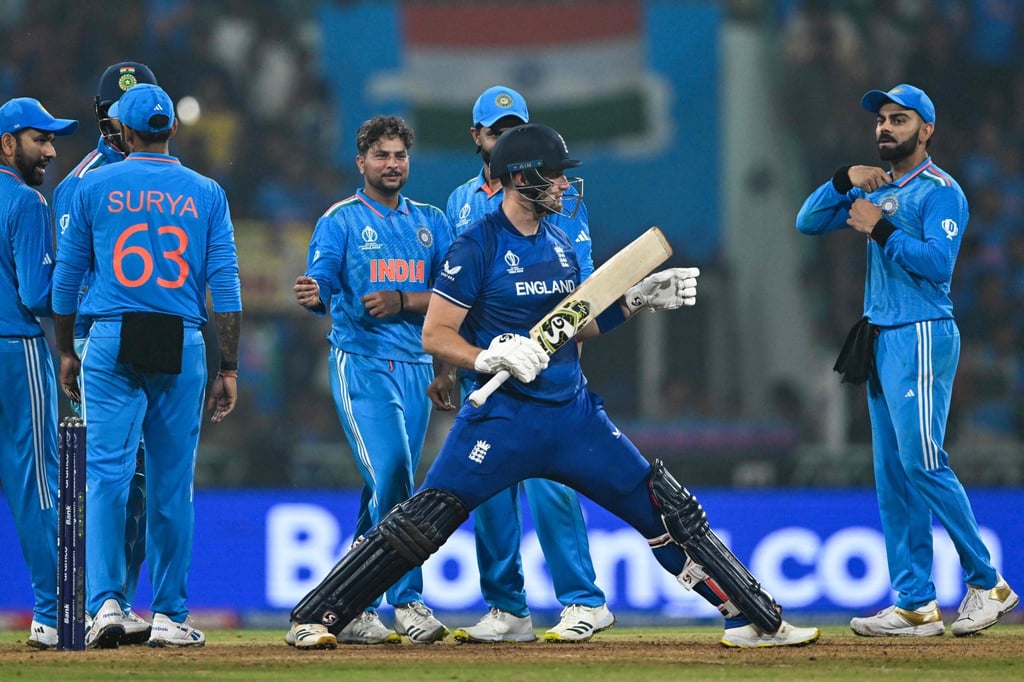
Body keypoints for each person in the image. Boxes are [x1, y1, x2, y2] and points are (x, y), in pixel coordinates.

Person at [287, 123, 821, 650]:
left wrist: (636, 300)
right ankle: (316, 616)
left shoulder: (561, 243)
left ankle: (756, 619)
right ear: (521, 178)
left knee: (665, 510)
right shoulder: (474, 248)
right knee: (420, 524)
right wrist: (487, 354)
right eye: (556, 176)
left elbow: (574, 325)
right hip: (501, 423)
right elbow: (435, 334)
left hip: (573, 417)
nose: (565, 187)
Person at [796, 84, 1019, 637]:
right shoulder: (877, 186)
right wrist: (842, 180)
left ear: (927, 130)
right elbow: (808, 222)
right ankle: (916, 602)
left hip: (921, 332)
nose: (885, 128)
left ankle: (988, 583)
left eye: (900, 119)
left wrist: (881, 225)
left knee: (921, 461)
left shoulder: (941, 191)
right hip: (882, 338)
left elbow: (939, 266)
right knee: (893, 474)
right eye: (881, 120)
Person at [51, 83, 242, 649]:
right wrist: (227, 364)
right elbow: (224, 287)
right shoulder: (206, 192)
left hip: (110, 335)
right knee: (170, 484)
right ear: (172, 130)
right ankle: (168, 614)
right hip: (180, 338)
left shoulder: (93, 186)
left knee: (106, 477)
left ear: (124, 132)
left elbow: (66, 281)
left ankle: (105, 604)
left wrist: (66, 349)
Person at [442, 85, 611, 643]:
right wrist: (452, 368)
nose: (506, 139)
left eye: (516, 130)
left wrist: (568, 367)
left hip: (549, 374)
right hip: (486, 370)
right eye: (496, 131)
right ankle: (507, 609)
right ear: (478, 138)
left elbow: (580, 291)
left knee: (553, 487)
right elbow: (452, 299)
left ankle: (582, 601)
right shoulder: (461, 201)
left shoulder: (564, 202)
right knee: (487, 494)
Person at [288, 114, 455, 649]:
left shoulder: (431, 222)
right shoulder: (339, 220)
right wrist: (315, 294)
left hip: (418, 367)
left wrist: (443, 362)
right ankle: (407, 601)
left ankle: (349, 604)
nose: (391, 164)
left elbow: (456, 298)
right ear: (361, 162)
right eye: (381, 155)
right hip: (361, 361)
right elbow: (321, 279)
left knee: (385, 488)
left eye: (399, 155)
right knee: (395, 472)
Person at [52, 60, 160, 646]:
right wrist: (69, 347)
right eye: (117, 111)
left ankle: (120, 599)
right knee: (108, 473)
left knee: (143, 479)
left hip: (158, 337)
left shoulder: (165, 176)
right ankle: (95, 603)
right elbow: (71, 275)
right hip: (101, 334)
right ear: (103, 117)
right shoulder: (82, 181)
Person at [0, 97, 78, 649]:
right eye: (38, 139)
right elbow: (37, 293)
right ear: (7, 143)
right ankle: (51, 614)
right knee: (35, 483)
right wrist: (84, 282)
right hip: (15, 349)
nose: (50, 150)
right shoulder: (28, 202)